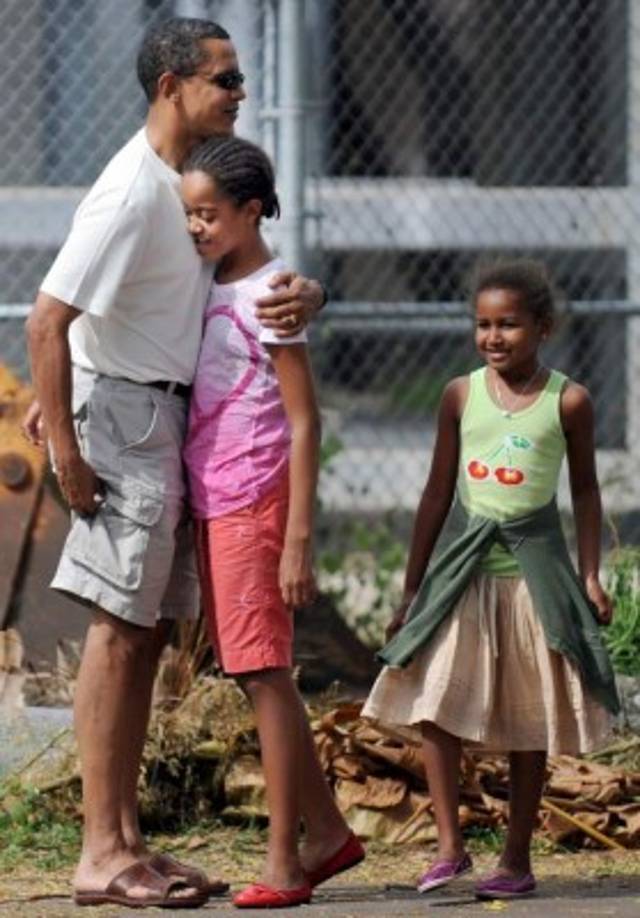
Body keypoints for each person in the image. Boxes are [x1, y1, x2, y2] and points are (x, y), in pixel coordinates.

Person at [25, 17, 327, 909]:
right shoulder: (130, 192)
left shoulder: (190, 184)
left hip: (166, 416)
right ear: (172, 87)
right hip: (125, 419)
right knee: (118, 631)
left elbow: (231, 273)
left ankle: (127, 842)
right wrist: (69, 444)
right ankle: (99, 853)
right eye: (224, 80)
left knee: (147, 631)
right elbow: (47, 319)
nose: (240, 93)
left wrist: (308, 291)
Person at [362, 259, 619, 901]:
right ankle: (449, 847)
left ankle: (516, 858)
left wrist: (591, 574)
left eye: (508, 324)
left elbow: (586, 492)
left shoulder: (568, 401)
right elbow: (435, 492)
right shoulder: (460, 394)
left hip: (533, 582)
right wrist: (412, 589)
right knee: (434, 702)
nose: (493, 337)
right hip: (464, 575)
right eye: (483, 324)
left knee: (529, 722)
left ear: (543, 327)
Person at [180, 134, 364, 909]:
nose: (195, 226)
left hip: (256, 499)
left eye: (208, 214)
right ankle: (329, 836)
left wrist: (297, 541)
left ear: (251, 210)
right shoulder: (207, 277)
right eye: (189, 214)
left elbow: (305, 419)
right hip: (214, 498)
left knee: (265, 675)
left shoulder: (272, 295)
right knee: (254, 671)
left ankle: (286, 859)